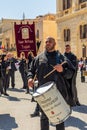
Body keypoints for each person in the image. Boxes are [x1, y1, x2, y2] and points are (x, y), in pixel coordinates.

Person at [27, 36, 75, 130]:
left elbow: (71, 73)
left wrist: (63, 70)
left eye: (50, 42)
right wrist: (29, 78)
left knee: (59, 118)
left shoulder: (61, 58)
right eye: (46, 42)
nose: (47, 43)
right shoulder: (39, 58)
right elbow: (30, 70)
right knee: (44, 117)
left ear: (54, 44)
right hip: (43, 93)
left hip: (58, 92)